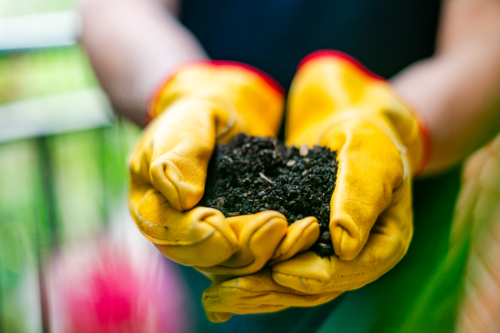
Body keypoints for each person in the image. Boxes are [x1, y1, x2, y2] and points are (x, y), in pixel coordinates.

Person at [78, 0, 500, 331]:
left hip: (397, 215)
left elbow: (486, 37)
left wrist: (399, 128)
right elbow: (117, 6)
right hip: (206, 216)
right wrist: (181, 89)